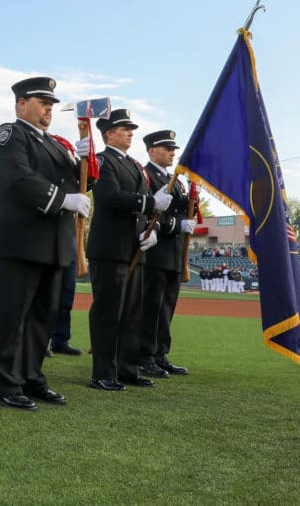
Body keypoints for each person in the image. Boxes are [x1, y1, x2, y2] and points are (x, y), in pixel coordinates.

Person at [0, 77, 91, 410]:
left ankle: (31, 378)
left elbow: (80, 180)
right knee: (12, 316)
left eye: (51, 104)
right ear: (21, 104)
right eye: (42, 102)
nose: (48, 109)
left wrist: (88, 159)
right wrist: (63, 200)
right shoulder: (9, 135)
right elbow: (17, 178)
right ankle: (6, 383)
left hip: (53, 245)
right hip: (18, 242)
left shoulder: (57, 145)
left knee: (42, 318)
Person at [85, 109, 171, 391]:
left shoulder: (134, 164)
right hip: (110, 248)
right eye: (125, 128)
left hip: (134, 247)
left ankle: (127, 369)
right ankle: (103, 373)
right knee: (108, 312)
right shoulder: (102, 161)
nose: (131, 132)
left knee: (133, 312)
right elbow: (109, 196)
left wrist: (153, 230)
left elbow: (146, 206)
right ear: (109, 133)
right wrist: (149, 204)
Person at [137, 130, 192, 379]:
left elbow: (181, 209)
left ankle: (160, 354)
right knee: (151, 305)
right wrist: (174, 226)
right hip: (155, 250)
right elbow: (149, 212)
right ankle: (144, 356)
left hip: (174, 251)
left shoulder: (177, 181)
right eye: (166, 148)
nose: (172, 152)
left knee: (167, 305)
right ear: (151, 150)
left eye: (173, 149)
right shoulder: (145, 175)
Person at [48, 258, 83, 356]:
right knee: (45, 294)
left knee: (66, 297)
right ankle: (37, 343)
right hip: (48, 248)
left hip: (70, 250)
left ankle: (60, 341)